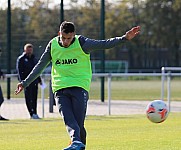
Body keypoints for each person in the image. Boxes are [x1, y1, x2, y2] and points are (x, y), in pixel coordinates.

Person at [15, 21, 140, 149]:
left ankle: (79, 144)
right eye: (63, 38)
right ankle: (75, 141)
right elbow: (40, 66)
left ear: (74, 35)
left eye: (69, 38)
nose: (66, 42)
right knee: (69, 119)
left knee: (79, 125)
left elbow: (104, 44)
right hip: (60, 88)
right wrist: (25, 83)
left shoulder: (82, 42)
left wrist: (124, 38)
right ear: (59, 34)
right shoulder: (52, 45)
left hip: (79, 87)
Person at [16, 43, 42, 119]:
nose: (30, 51)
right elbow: (20, 71)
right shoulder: (21, 59)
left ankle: (35, 113)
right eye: (28, 49)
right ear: (25, 50)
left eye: (31, 49)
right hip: (26, 82)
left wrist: (39, 80)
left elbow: (37, 71)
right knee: (28, 98)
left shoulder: (34, 59)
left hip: (34, 82)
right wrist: (22, 82)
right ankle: (31, 113)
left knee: (34, 97)